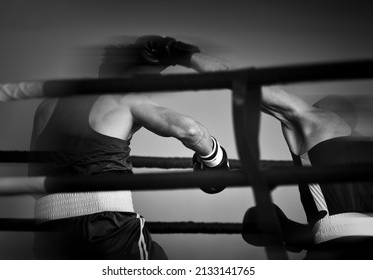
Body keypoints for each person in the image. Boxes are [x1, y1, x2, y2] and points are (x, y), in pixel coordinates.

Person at [28, 35, 229, 260]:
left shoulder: (47, 106)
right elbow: (191, 131)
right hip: (109, 229)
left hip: (49, 234)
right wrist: (216, 160)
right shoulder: (125, 99)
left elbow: (35, 183)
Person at [186, 49, 373, 259]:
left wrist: (183, 55)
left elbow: (240, 79)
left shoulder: (315, 120)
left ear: (324, 109)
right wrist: (290, 230)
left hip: (336, 249)